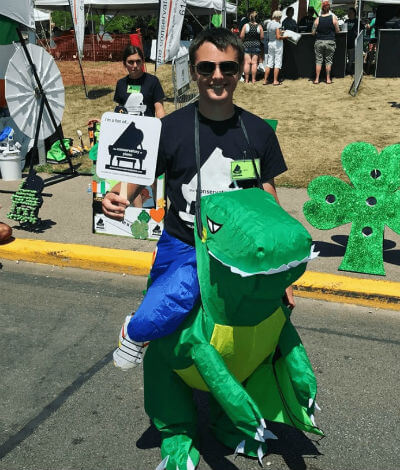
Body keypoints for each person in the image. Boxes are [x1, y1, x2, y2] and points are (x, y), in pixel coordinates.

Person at [103, 27, 295, 362]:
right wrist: (116, 197)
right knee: (171, 334)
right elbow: (139, 178)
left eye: (228, 68)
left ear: (240, 72)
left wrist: (280, 272)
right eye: (207, 68)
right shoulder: (170, 128)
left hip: (240, 252)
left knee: (239, 342)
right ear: (194, 72)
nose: (217, 76)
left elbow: (268, 200)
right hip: (182, 245)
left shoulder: (259, 132)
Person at [114, 45, 165, 119]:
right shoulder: (121, 84)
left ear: (142, 62)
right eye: (131, 62)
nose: (135, 65)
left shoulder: (153, 81)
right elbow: (120, 110)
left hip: (147, 128)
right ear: (124, 63)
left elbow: (159, 109)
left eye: (138, 61)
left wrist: (162, 126)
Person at [312, 1, 340, 84]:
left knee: (318, 61)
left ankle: (317, 79)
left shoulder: (317, 19)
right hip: (330, 42)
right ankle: (328, 79)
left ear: (322, 9)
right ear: (329, 8)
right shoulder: (333, 18)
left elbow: (313, 33)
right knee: (328, 61)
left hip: (319, 42)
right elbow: (337, 31)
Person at [240, 10, 264, 83]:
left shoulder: (246, 25)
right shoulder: (259, 26)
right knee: (254, 63)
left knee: (247, 63)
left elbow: (241, 36)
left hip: (246, 45)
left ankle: (246, 80)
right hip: (256, 45)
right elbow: (262, 37)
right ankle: (253, 80)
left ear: (249, 17)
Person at [263, 11, 285, 86]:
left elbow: (273, 34)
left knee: (269, 62)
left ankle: (265, 80)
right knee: (277, 62)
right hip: (277, 44)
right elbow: (278, 37)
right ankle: (275, 81)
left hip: (270, 43)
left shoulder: (269, 24)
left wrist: (280, 32)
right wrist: (286, 36)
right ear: (278, 17)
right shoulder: (278, 24)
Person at [345, 7, 363, 74]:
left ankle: (349, 69)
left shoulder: (357, 22)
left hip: (353, 42)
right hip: (346, 42)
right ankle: (347, 68)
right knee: (347, 57)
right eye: (348, 12)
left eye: (350, 12)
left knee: (351, 57)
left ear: (354, 13)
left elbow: (362, 30)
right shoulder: (346, 21)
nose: (348, 14)